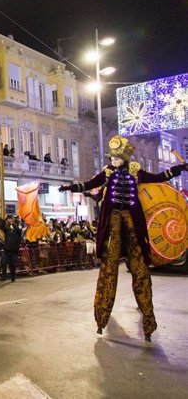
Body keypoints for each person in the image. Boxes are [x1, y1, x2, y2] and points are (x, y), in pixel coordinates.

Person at [59, 135, 187, 342]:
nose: (113, 161)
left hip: (133, 229)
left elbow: (159, 177)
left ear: (125, 158)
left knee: (140, 273)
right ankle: (101, 319)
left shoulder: (136, 171)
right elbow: (89, 184)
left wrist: (177, 170)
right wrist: (70, 188)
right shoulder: (108, 173)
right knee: (108, 272)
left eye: (116, 157)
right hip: (113, 229)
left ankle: (148, 323)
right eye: (112, 157)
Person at [2, 215, 22, 281]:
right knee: (4, 262)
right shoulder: (7, 230)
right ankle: (3, 276)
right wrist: (5, 219)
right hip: (6, 249)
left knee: (12, 264)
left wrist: (13, 223)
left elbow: (19, 230)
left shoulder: (17, 231)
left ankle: (13, 276)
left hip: (14, 250)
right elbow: (2, 227)